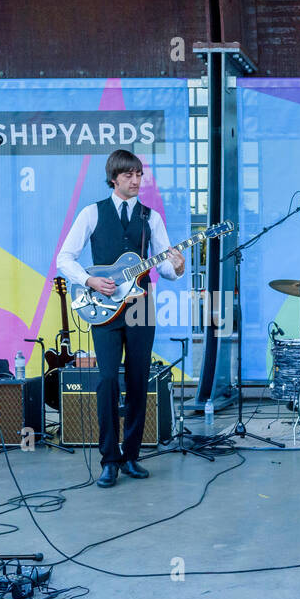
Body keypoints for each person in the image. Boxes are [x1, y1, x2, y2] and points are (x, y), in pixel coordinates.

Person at [57, 149, 185, 487]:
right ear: (114, 177)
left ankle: (131, 456)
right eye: (129, 175)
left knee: (140, 381)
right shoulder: (91, 213)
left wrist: (178, 266)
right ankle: (109, 460)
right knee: (108, 381)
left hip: (141, 306)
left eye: (139, 174)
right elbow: (64, 258)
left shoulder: (150, 217)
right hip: (103, 306)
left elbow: (166, 268)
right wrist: (90, 280)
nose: (136, 180)